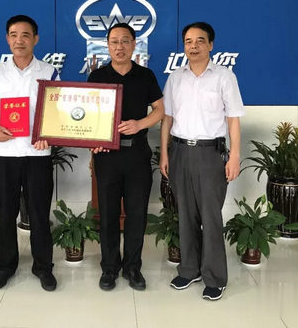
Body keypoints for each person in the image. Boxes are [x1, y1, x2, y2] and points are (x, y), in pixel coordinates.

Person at [0, 14, 59, 291]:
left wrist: (49, 135)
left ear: (36, 39)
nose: (19, 40)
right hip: (4, 154)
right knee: (6, 212)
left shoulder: (49, 72)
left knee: (39, 213)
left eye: (25, 35)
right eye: (13, 35)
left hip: (37, 155)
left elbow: (57, 112)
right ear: (7, 39)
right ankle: (5, 267)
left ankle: (43, 267)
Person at [160, 21, 244, 301]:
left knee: (210, 216)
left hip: (210, 154)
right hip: (180, 152)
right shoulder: (175, 78)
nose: (193, 46)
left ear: (210, 45)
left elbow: (233, 119)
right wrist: (164, 154)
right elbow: (167, 118)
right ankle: (189, 270)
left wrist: (234, 156)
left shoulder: (224, 77)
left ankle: (215, 277)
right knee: (185, 214)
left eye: (199, 41)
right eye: (188, 41)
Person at [88, 22, 164, 291]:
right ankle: (109, 268)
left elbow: (160, 110)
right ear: (107, 45)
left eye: (124, 41)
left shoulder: (145, 75)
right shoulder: (97, 77)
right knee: (108, 214)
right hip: (107, 157)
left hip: (137, 155)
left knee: (136, 213)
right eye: (114, 41)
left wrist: (140, 124)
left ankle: (133, 267)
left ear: (133, 44)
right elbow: (87, 116)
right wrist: (93, 141)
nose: (119, 46)